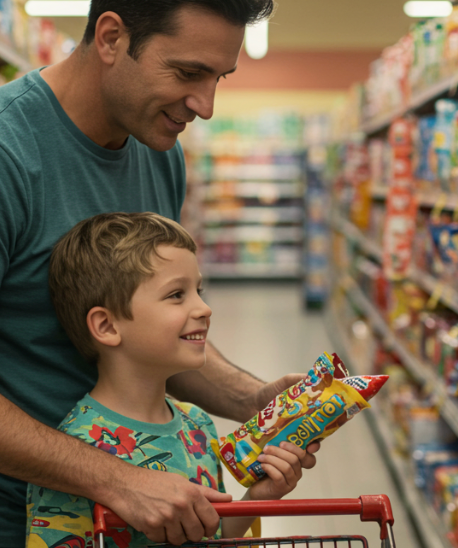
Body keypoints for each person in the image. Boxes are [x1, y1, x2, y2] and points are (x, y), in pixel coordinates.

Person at [0, 0, 318, 547]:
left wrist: (255, 400)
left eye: (218, 78)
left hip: (109, 525)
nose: (205, 105)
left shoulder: (158, 152)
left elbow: (143, 336)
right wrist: (117, 479)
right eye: (187, 72)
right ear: (112, 37)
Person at [28, 212, 307, 547]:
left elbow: (210, 535)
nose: (204, 308)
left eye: (199, 290)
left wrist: (259, 496)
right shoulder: (75, 456)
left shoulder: (198, 425)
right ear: (107, 326)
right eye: (177, 294)